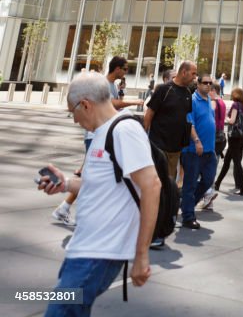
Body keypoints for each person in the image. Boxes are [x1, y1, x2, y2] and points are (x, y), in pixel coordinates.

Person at [38, 72, 160, 316]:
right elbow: (99, 186)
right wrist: (65, 184)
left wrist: (141, 255)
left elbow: (151, 185)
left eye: (72, 111)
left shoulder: (124, 131)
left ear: (85, 104)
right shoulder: (101, 133)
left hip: (100, 252)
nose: (73, 120)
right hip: (84, 248)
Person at [143, 59, 197, 247]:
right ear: (183, 72)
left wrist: (193, 140)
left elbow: (186, 119)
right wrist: (142, 139)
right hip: (158, 146)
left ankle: (158, 229)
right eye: (193, 73)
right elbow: (149, 114)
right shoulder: (164, 90)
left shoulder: (188, 94)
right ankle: (152, 231)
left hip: (175, 150)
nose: (195, 77)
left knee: (167, 190)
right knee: (156, 190)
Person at [180, 72, 217, 229]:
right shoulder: (192, 100)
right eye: (205, 83)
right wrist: (196, 141)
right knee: (190, 183)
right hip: (194, 150)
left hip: (210, 150)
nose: (209, 86)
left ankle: (187, 205)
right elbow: (190, 124)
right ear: (198, 84)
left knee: (208, 180)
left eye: (210, 83)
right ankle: (188, 216)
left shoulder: (208, 99)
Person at [215, 86, 243, 195]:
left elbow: (232, 121)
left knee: (237, 163)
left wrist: (225, 117)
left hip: (233, 136)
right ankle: (217, 183)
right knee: (227, 161)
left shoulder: (235, 105)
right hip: (240, 136)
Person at [199, 82, 226, 211]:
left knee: (204, 167)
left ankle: (207, 192)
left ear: (213, 90)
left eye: (209, 89)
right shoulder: (222, 102)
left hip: (213, 138)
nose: (207, 91)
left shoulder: (213, 103)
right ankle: (208, 195)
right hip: (220, 137)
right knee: (211, 166)